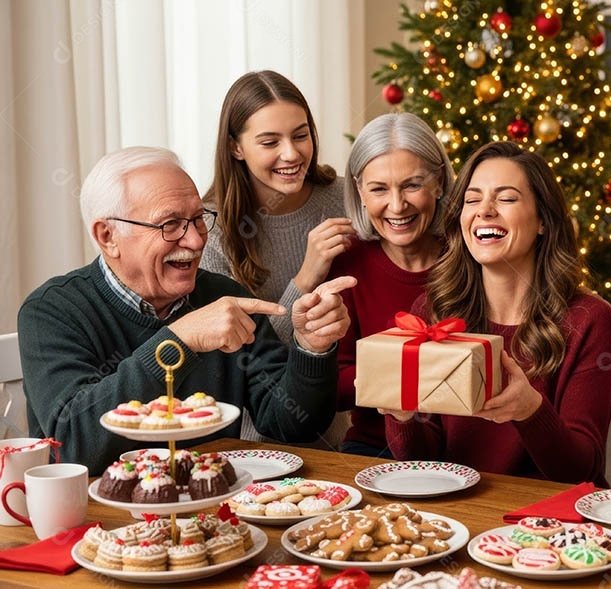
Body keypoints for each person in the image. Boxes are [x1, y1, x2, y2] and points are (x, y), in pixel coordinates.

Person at [18, 147, 355, 475]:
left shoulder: (222, 296)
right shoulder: (51, 312)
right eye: (170, 224)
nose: (195, 241)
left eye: (197, 219)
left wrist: (311, 349)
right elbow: (72, 446)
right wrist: (179, 340)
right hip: (96, 510)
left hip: (212, 503)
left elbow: (294, 425)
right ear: (108, 236)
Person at [383, 141, 611, 486]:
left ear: (542, 220)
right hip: (455, 508)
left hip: (545, 513)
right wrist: (402, 418)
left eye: (506, 198)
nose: (484, 211)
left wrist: (531, 411)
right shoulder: (434, 313)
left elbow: (581, 471)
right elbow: (421, 464)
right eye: (472, 200)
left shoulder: (587, 319)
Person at [200, 70, 354, 442]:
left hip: (342, 435)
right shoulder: (210, 229)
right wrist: (307, 276)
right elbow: (240, 357)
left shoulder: (346, 198)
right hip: (255, 444)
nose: (291, 153)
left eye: (301, 135)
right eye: (270, 142)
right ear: (236, 147)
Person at [329, 112, 453, 457]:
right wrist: (406, 373)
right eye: (379, 189)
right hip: (375, 446)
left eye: (412, 185)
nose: (397, 206)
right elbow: (334, 386)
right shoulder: (347, 263)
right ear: (360, 190)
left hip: (468, 450)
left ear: (439, 182)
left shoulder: (470, 254)